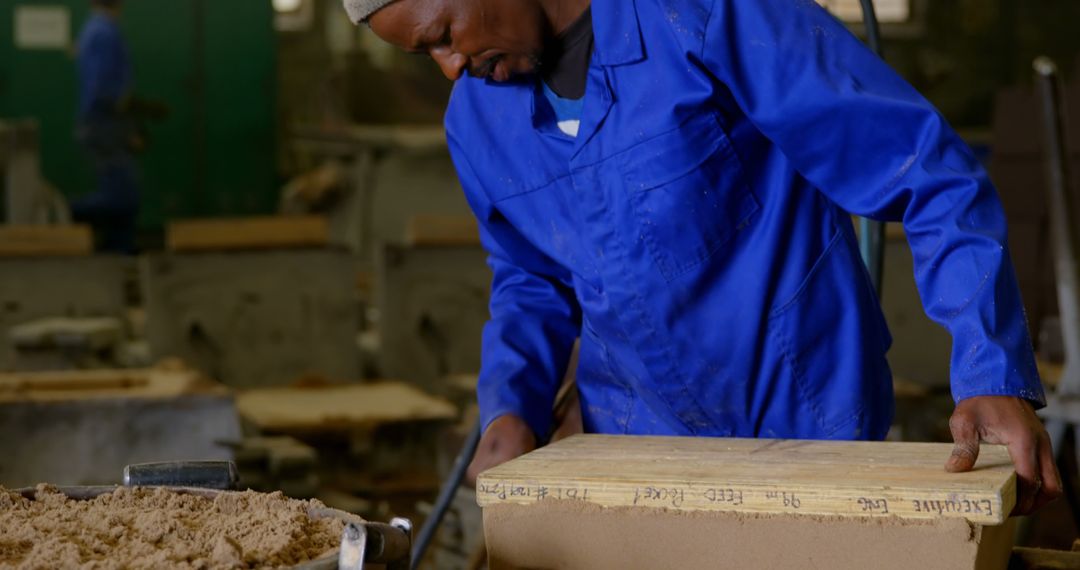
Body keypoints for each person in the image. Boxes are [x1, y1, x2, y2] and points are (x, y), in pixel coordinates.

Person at [344, 0, 1062, 514]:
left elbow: (925, 172)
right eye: (425, 54)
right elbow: (528, 277)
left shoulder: (704, 15)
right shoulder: (476, 120)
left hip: (809, 431)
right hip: (637, 458)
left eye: (442, 34)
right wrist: (512, 405)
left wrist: (988, 369)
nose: (449, 68)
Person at [73, 0, 139, 253]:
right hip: (104, 123)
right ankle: (62, 214)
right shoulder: (104, 32)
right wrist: (125, 122)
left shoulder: (95, 30)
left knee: (123, 193)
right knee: (123, 197)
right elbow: (105, 88)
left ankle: (119, 247)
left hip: (103, 122)